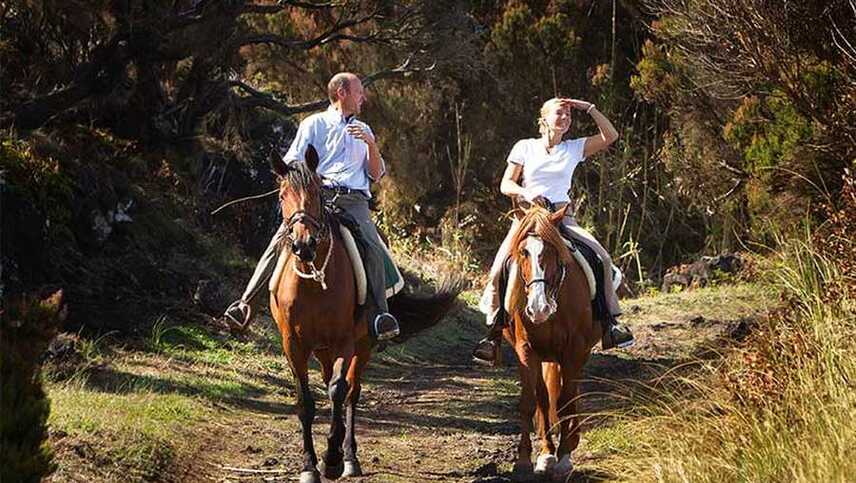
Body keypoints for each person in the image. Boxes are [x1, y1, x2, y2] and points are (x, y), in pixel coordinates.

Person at [224, 72, 400, 341]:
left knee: (373, 245)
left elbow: (376, 175)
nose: (363, 97)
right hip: (318, 197)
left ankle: (380, 316)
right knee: (279, 241)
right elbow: (292, 163)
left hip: (354, 201)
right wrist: (310, 181)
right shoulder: (313, 124)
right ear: (341, 93)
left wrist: (371, 144)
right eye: (358, 92)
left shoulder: (365, 130)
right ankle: (245, 304)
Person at [472, 97, 634, 365]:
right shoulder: (525, 147)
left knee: (602, 259)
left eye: (569, 116)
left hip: (562, 218)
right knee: (499, 269)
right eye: (559, 113)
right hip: (528, 218)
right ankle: (494, 335)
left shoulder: (574, 148)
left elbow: (611, 135)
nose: (565, 118)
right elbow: (505, 184)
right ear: (543, 118)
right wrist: (524, 192)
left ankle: (610, 323)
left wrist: (589, 109)